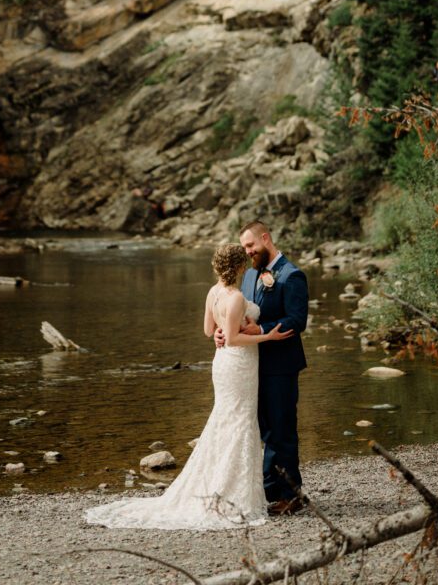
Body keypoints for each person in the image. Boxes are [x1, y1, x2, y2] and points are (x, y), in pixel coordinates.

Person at [85, 244, 294, 530]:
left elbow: (210, 331)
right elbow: (232, 339)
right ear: (238, 267)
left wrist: (223, 329)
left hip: (223, 364)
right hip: (238, 364)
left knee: (227, 421)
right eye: (243, 263)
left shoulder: (213, 292)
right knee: (239, 422)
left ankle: (222, 486)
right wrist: (267, 336)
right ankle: (233, 493)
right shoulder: (233, 297)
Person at [216, 219, 308, 516]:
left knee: (282, 430)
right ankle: (269, 491)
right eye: (244, 247)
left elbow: (297, 320)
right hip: (250, 365)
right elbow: (236, 316)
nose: (248, 252)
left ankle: (292, 495)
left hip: (281, 365)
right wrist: (222, 332)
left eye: (250, 245)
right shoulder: (248, 277)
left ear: (265, 238)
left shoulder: (292, 275)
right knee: (263, 428)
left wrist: (263, 329)